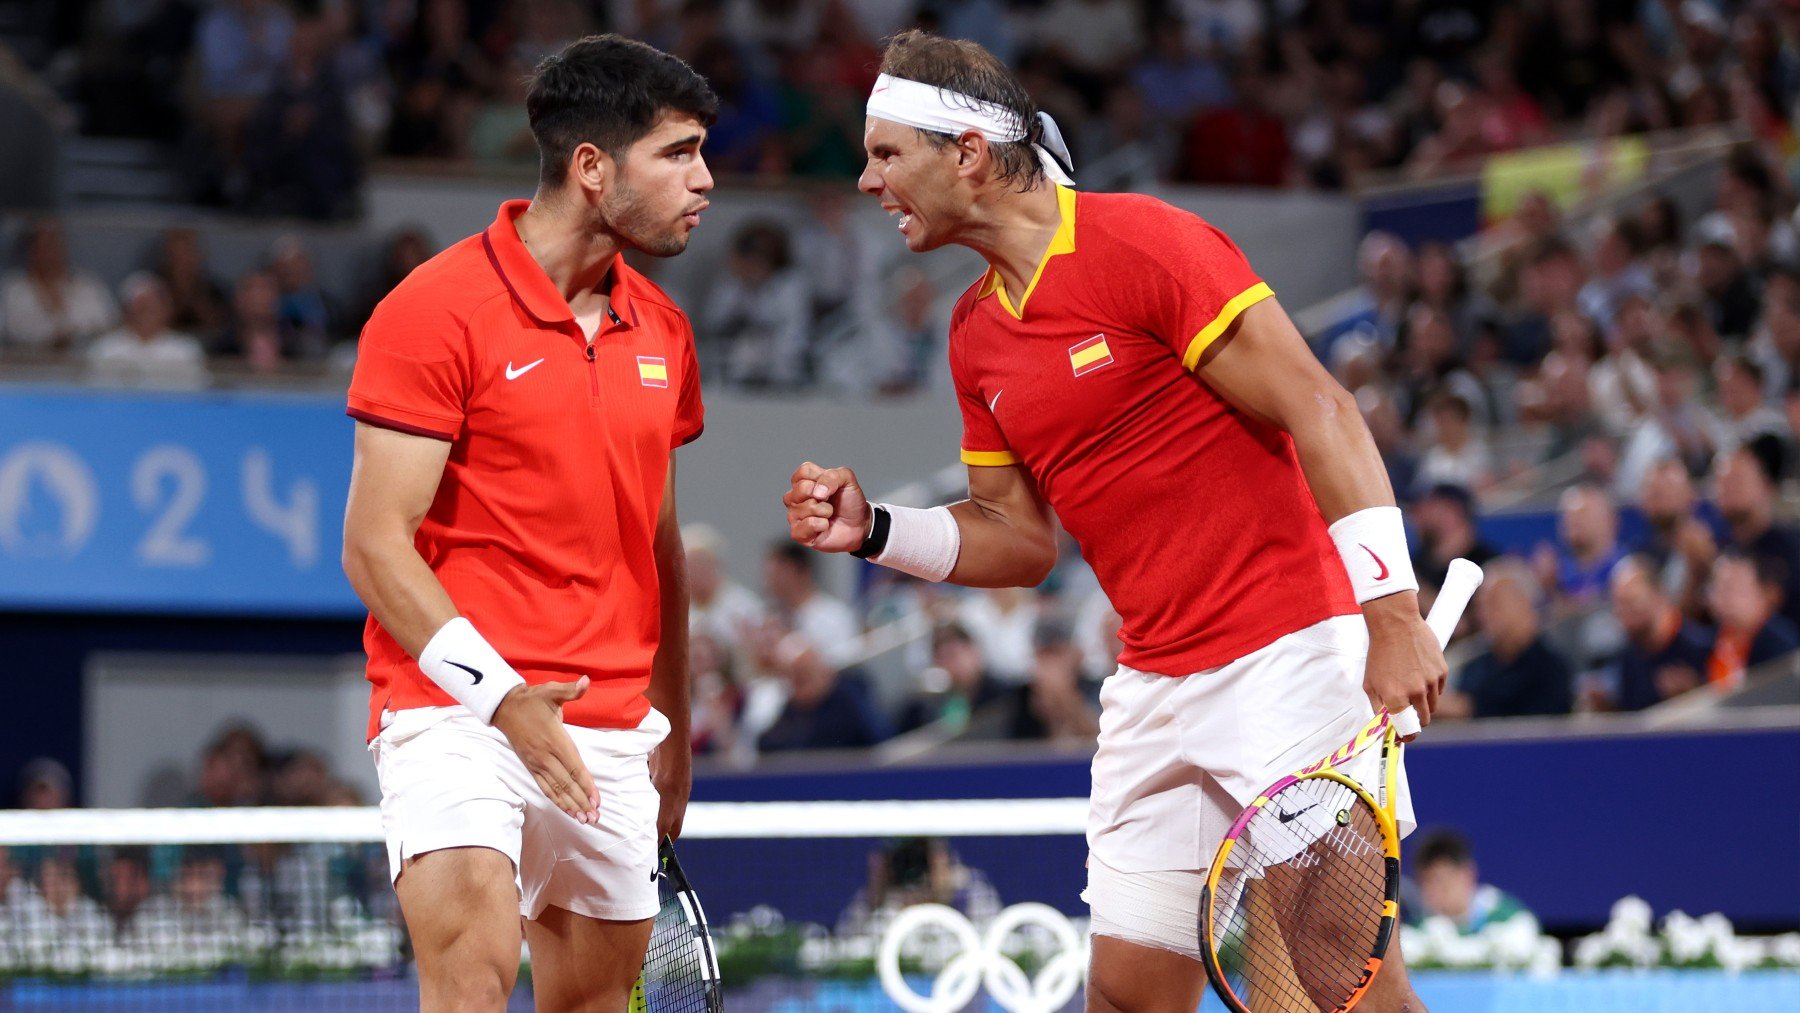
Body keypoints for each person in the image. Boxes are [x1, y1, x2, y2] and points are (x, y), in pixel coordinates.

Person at [781, 31, 1444, 1012]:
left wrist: (1391, 612)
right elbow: (1020, 537)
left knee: (1339, 973)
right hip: (1153, 682)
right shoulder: (972, 336)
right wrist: (877, 528)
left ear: (965, 151)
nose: (870, 180)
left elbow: (1323, 405)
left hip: (1288, 651)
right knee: (1128, 995)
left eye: (887, 154)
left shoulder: (1146, 243)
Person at [339, 35, 714, 1011]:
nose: (704, 179)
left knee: (589, 998)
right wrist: (502, 697)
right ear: (592, 168)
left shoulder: (665, 333)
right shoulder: (436, 311)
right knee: (470, 958)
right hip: (454, 710)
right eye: (677, 153)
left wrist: (674, 727)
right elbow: (375, 542)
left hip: (613, 729)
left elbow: (659, 547)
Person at [1604, 555, 1712, 712]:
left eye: (1631, 602)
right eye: (1618, 604)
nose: (1623, 614)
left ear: (1659, 595)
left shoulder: (1702, 648)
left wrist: (1696, 695)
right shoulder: (1627, 658)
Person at [1408, 828, 1535, 935]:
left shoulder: (1509, 920)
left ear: (1469, 874)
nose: (1434, 892)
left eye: (1442, 881)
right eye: (1426, 882)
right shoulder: (1417, 930)